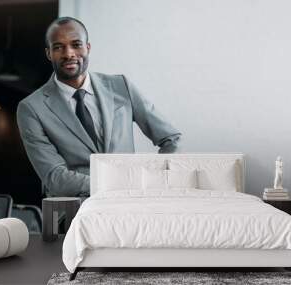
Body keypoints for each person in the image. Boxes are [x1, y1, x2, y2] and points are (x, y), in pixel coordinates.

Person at [16, 17, 181, 197]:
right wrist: (121, 184)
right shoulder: (32, 108)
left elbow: (171, 139)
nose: (68, 53)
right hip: (76, 211)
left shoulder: (121, 86)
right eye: (58, 47)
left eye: (76, 44)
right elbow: (55, 178)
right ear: (48, 53)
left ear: (88, 47)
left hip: (131, 205)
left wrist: (154, 179)